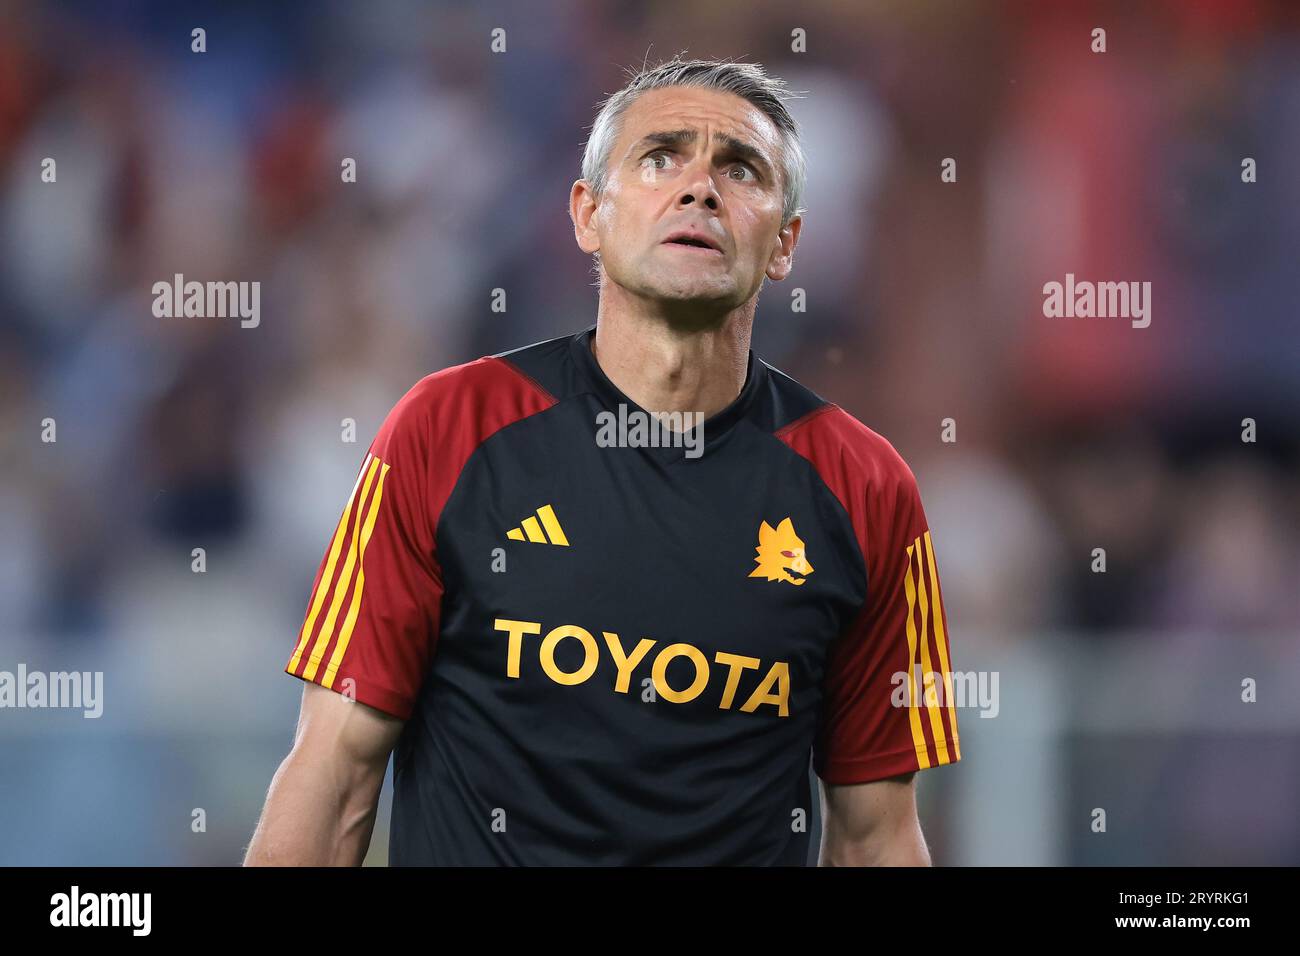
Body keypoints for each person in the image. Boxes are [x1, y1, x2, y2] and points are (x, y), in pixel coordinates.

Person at [245, 55, 960, 867]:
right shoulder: (446, 431)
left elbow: (876, 836)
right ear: (587, 215)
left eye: (739, 169)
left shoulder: (865, 489)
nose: (699, 189)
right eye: (660, 158)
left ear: (785, 243)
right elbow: (335, 773)